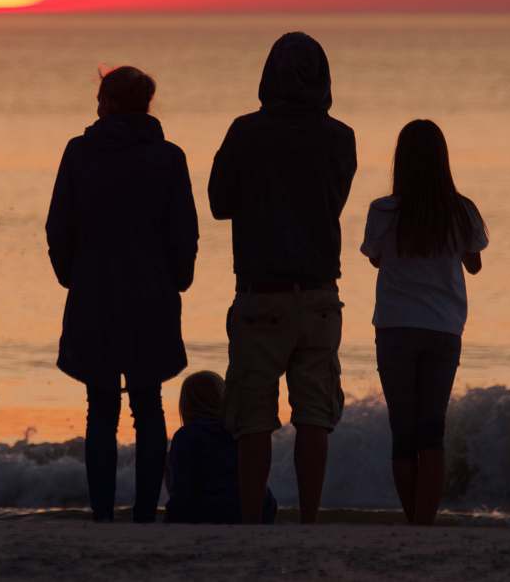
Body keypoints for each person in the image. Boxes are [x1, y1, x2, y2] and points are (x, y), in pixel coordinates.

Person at [209, 32, 356, 524]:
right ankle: (309, 517)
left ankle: (252, 518)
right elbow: (334, 202)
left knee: (253, 418)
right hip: (318, 291)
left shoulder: (245, 132)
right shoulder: (340, 137)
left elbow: (218, 203)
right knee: (315, 414)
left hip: (261, 292)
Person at [46, 66, 199, 523]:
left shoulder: (80, 153)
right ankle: (146, 512)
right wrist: (179, 278)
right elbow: (184, 232)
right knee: (148, 403)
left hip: (95, 292)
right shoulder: (169, 158)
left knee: (101, 407)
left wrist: (70, 275)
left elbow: (59, 226)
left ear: (108, 102)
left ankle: (101, 513)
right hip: (151, 294)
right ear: (146, 104)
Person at [360, 119, 487, 525]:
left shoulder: (383, 210)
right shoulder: (462, 210)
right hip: (443, 328)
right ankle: (425, 521)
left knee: (404, 429)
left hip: (396, 326)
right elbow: (475, 264)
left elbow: (376, 257)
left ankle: (412, 517)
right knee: (433, 427)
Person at [165, 371, 277, 524]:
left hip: (211, 510)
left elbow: (182, 488)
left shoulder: (186, 436)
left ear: (186, 405)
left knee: (170, 465)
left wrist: (172, 514)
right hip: (258, 508)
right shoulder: (239, 431)